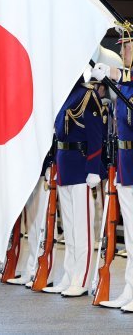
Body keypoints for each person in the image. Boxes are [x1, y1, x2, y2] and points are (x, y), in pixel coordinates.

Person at [43, 73, 103, 297]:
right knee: (68, 228)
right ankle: (69, 274)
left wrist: (93, 169)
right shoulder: (63, 95)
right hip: (65, 166)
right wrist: (53, 164)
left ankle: (83, 277)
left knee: (82, 228)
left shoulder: (88, 95)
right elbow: (57, 135)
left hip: (81, 167)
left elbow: (97, 135)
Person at [92, 28, 133, 310]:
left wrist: (117, 76)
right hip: (126, 164)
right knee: (130, 236)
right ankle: (129, 291)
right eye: (122, 47)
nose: (122, 52)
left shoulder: (128, 82)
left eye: (127, 47)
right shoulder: (127, 85)